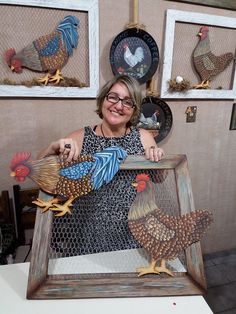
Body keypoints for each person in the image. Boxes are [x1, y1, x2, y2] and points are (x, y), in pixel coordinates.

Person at [39, 75, 164, 256]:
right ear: (103, 99)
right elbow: (41, 172)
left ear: (134, 109)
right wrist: (51, 148)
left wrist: (158, 158)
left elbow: (160, 179)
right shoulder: (81, 137)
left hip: (133, 233)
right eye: (113, 97)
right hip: (86, 236)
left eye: (128, 102)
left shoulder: (143, 137)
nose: (119, 106)